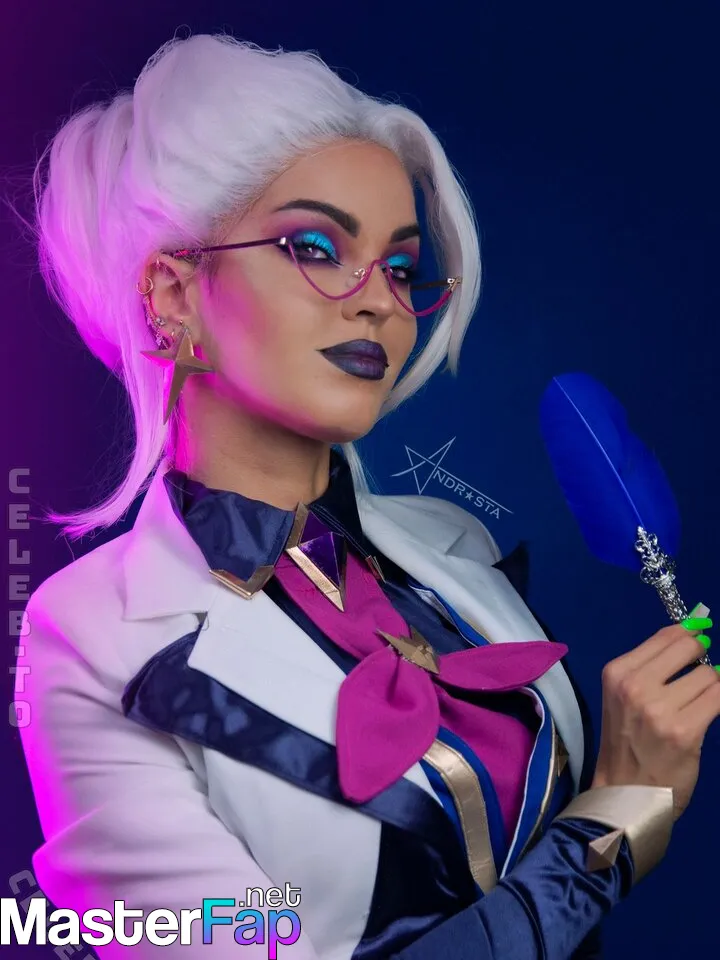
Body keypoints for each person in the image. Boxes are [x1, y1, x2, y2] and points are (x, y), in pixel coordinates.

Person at [16, 32, 719, 960]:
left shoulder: (452, 545)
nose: (380, 301)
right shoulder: (88, 639)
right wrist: (612, 827)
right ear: (174, 293)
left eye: (399, 265)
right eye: (315, 246)